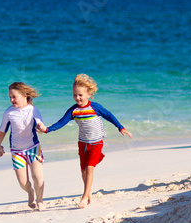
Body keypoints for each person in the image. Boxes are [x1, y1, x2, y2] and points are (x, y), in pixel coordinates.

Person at [39, 74, 132, 208]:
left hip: (96, 143)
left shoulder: (95, 107)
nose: (77, 98)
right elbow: (61, 122)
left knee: (89, 168)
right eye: (75, 95)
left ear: (89, 94)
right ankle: (88, 192)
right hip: (82, 143)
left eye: (80, 95)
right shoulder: (74, 110)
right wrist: (47, 129)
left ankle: (84, 197)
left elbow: (109, 116)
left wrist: (120, 127)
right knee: (83, 170)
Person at [0, 82, 46, 210]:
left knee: (37, 177)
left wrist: (41, 128)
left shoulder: (33, 110)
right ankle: (30, 193)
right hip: (17, 151)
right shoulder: (9, 112)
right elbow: (2, 130)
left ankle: (40, 201)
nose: (11, 100)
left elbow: (39, 123)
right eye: (10, 97)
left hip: (33, 147)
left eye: (14, 97)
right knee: (23, 183)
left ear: (24, 95)